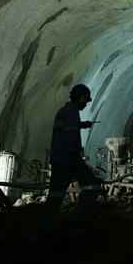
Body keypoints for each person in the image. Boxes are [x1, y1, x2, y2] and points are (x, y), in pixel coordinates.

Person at [46, 84, 102, 213]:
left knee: (55, 195)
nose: (86, 104)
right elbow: (70, 136)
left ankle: (47, 222)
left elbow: (68, 127)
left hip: (59, 160)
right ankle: (79, 216)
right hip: (68, 159)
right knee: (92, 185)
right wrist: (77, 158)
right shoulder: (71, 112)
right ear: (81, 98)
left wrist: (83, 125)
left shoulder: (66, 111)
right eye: (86, 100)